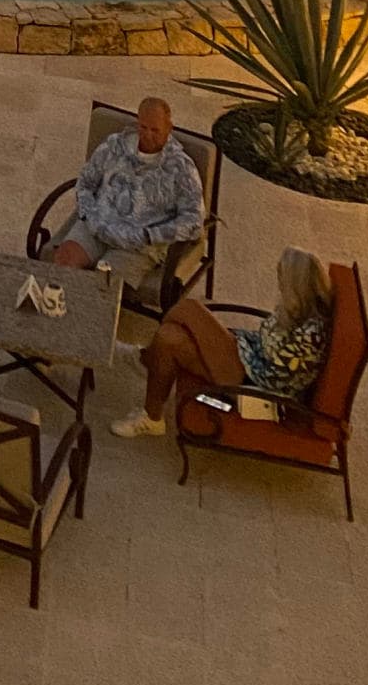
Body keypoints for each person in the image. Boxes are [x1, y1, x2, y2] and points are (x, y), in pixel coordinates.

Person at [113, 247, 334, 438]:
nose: (279, 286)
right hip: (249, 359)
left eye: (283, 280)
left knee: (189, 309)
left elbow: (275, 365)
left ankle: (144, 360)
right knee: (169, 337)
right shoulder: (304, 313)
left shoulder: (310, 334)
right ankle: (153, 419)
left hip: (252, 383)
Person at [50, 96, 204, 287]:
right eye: (143, 127)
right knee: (64, 262)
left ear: (169, 129)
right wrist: (90, 216)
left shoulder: (181, 167)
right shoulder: (114, 146)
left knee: (102, 286)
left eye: (155, 130)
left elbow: (194, 221)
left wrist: (151, 235)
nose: (147, 135)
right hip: (99, 225)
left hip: (138, 245)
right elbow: (85, 183)